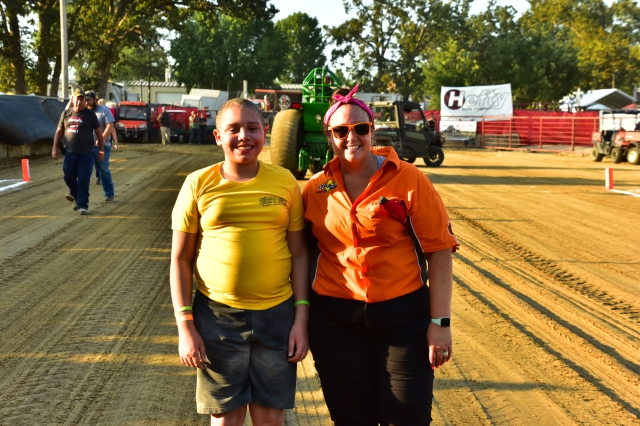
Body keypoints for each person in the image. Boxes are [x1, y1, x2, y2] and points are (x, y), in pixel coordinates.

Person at [301, 84, 459, 425]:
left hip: (403, 320)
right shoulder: (315, 189)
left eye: (360, 128)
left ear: (372, 131)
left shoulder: (409, 180)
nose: (351, 137)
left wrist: (440, 323)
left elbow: (439, 252)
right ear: (329, 136)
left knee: (407, 417)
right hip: (335, 323)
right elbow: (300, 253)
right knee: (350, 419)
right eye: (340, 131)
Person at [170, 98, 309, 425]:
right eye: (233, 129)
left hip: (277, 316)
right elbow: (180, 259)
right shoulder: (198, 183)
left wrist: (301, 320)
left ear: (265, 132)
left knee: (270, 416)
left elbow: (301, 254)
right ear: (218, 136)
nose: (244, 136)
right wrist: (185, 326)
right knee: (225, 417)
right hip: (217, 317)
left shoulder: (285, 182)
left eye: (252, 128)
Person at [52, 89, 105, 215]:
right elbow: (59, 132)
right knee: (68, 178)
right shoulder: (66, 113)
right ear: (73, 100)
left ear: (85, 101)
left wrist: (101, 151)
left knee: (83, 179)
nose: (79, 102)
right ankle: (76, 197)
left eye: (82, 100)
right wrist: (54, 148)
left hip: (86, 153)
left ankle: (83, 205)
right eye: (77, 99)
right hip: (70, 152)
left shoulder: (90, 115)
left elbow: (99, 133)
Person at [85, 90, 116, 202]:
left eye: (89, 100)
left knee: (103, 170)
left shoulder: (104, 110)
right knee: (85, 171)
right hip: (87, 148)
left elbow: (110, 125)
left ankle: (109, 194)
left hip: (102, 147)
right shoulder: (84, 111)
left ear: (95, 100)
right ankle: (82, 196)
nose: (87, 102)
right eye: (85, 100)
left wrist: (102, 138)